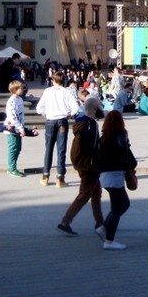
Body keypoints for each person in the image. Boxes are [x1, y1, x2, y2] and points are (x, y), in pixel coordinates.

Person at [57, 96, 106, 237]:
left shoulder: (85, 123)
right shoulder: (89, 125)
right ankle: (65, 222)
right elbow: (90, 147)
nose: (101, 109)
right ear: (94, 109)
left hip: (85, 164)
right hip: (89, 165)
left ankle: (100, 222)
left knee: (96, 193)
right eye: (99, 107)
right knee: (84, 195)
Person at [98, 110, 136, 250]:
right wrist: (130, 165)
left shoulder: (104, 136)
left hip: (104, 173)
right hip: (115, 173)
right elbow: (124, 152)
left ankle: (106, 232)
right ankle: (107, 237)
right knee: (122, 204)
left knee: (117, 205)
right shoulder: (120, 134)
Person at [35, 71, 80, 187]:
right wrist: (69, 114)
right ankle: (60, 178)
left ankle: (45, 176)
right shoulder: (67, 92)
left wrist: (46, 114)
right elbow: (75, 108)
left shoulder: (48, 91)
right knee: (61, 150)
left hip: (50, 121)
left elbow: (39, 108)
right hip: (62, 121)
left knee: (48, 148)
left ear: (53, 80)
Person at [2, 80, 33, 177]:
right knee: (13, 148)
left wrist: (23, 127)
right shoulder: (12, 101)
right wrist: (21, 128)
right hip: (12, 128)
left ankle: (12, 167)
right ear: (15, 90)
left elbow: (21, 115)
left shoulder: (19, 99)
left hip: (18, 127)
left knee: (18, 148)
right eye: (21, 88)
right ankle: (12, 168)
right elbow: (13, 117)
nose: (23, 89)